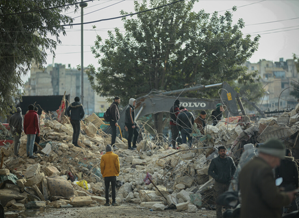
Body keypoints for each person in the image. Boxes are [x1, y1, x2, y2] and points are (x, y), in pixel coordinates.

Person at [239, 139, 296, 218]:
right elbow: (272, 198)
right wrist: (287, 197)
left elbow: (258, 191)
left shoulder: (248, 166)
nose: (278, 163)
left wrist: (275, 190)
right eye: (278, 159)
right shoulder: (264, 169)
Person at [208, 146, 236, 218]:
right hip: (219, 184)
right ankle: (219, 216)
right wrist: (217, 177)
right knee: (219, 201)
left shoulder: (229, 160)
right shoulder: (215, 161)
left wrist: (232, 176)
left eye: (224, 151)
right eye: (221, 151)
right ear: (218, 152)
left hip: (228, 183)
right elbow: (210, 171)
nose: (223, 152)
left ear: (226, 151)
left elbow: (234, 169)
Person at [275, 148, 298, 213]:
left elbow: (276, 176)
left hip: (282, 185)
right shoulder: (293, 163)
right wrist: (297, 185)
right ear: (288, 154)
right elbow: (296, 176)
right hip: (291, 185)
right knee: (293, 202)